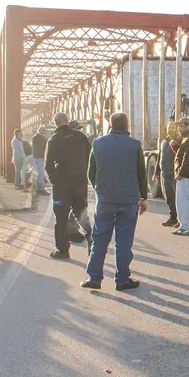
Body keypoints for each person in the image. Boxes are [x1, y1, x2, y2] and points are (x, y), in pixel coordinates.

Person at [81, 113, 147, 291]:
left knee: (100, 239)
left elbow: (90, 173)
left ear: (110, 125)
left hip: (105, 199)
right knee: (124, 241)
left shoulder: (98, 143)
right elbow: (141, 172)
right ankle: (122, 279)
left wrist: (99, 189)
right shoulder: (135, 145)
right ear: (127, 126)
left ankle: (94, 278)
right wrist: (144, 197)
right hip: (128, 200)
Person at [45, 112, 93, 259]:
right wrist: (84, 175)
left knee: (60, 217)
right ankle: (91, 239)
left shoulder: (54, 140)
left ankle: (63, 250)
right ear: (68, 121)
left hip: (62, 185)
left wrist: (55, 180)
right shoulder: (81, 137)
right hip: (80, 182)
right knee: (81, 212)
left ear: (56, 123)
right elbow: (90, 158)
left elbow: (48, 166)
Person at [159, 121, 180, 227]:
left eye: (173, 127)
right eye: (169, 127)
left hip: (174, 174)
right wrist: (156, 173)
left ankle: (181, 220)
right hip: (164, 173)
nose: (170, 129)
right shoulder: (164, 142)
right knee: (169, 198)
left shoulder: (178, 141)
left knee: (178, 198)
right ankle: (172, 218)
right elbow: (160, 157)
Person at [32, 128, 49, 194]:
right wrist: (45, 136)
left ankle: (40, 187)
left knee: (40, 173)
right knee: (41, 173)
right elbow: (46, 144)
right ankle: (41, 188)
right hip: (39, 157)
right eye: (44, 131)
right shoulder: (39, 138)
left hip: (38, 157)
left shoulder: (36, 138)